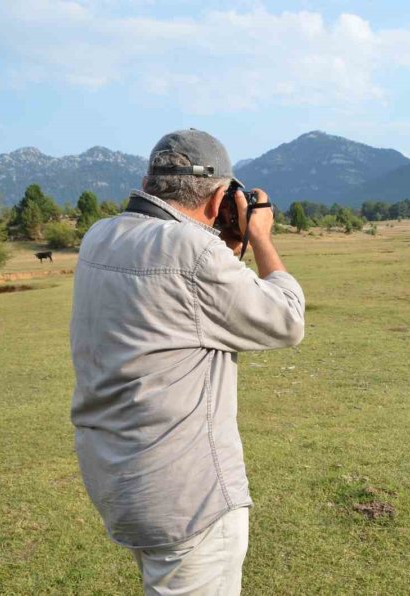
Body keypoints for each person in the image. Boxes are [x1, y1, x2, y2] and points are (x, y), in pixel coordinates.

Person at [70, 129, 305, 595]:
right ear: (219, 199)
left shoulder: (100, 236)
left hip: (118, 476)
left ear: (149, 182)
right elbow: (287, 320)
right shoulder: (194, 253)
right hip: (186, 496)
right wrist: (258, 235)